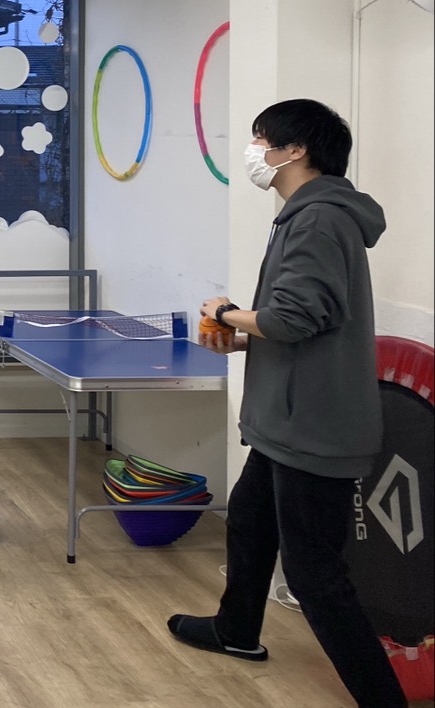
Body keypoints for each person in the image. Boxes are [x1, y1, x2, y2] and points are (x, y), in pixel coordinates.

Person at [168, 99, 405, 708]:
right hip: (286, 420)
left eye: (260, 139)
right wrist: (243, 338)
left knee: (314, 576)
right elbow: (310, 323)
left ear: (294, 150)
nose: (254, 151)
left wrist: (225, 313)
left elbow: (294, 318)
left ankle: (384, 698)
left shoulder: (319, 219)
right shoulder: (305, 215)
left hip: (312, 426)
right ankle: (236, 631)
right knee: (249, 522)